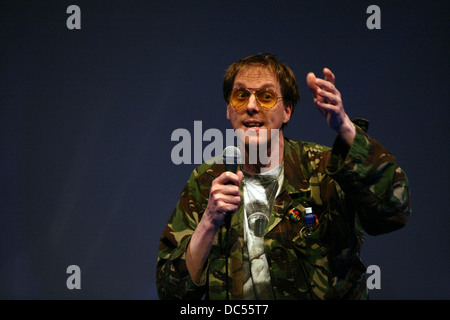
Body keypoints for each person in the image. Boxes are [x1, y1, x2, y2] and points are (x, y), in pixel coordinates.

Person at [156, 53, 411, 300]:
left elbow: (393, 211)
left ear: (287, 111)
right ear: (229, 110)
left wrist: (345, 127)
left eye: (266, 96)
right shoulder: (208, 180)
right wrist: (208, 222)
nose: (252, 106)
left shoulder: (323, 169)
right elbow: (172, 292)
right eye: (241, 96)